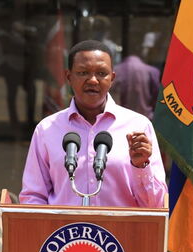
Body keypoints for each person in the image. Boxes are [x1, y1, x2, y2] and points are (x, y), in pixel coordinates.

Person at [19, 40, 167, 208]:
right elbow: (33, 197)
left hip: (121, 233)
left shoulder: (138, 126)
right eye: (83, 73)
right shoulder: (47, 129)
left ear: (112, 78)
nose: (93, 80)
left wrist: (141, 167)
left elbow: (156, 205)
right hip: (62, 233)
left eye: (102, 73)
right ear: (69, 77)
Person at [110, 47, 160, 120]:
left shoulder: (115, 70)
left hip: (120, 119)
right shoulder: (152, 71)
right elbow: (157, 96)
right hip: (145, 119)